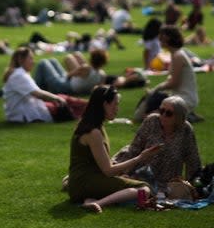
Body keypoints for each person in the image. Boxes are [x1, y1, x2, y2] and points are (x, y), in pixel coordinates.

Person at [65, 85, 161, 213]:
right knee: (144, 188)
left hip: (80, 183)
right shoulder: (94, 133)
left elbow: (103, 166)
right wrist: (140, 158)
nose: (117, 109)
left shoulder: (92, 125)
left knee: (127, 181)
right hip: (84, 183)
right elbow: (108, 171)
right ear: (104, 104)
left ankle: (89, 198)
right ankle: (97, 203)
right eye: (115, 104)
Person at [113, 95, 201, 197]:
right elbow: (134, 149)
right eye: (161, 110)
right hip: (142, 175)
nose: (162, 115)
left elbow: (193, 160)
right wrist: (126, 173)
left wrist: (192, 186)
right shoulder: (151, 121)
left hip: (168, 182)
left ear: (179, 116)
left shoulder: (186, 129)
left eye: (168, 113)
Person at [2, 47, 85, 123]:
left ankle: (92, 106)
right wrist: (56, 98)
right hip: (25, 113)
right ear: (21, 60)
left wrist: (57, 98)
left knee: (65, 99)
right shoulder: (19, 75)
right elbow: (37, 93)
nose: (33, 61)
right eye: (30, 58)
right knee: (65, 101)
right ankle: (92, 107)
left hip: (26, 110)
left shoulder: (19, 73)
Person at [142, 25, 200, 123]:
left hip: (185, 98)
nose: (159, 39)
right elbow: (172, 80)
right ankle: (185, 115)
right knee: (149, 113)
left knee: (150, 117)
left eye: (161, 37)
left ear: (167, 38)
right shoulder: (175, 54)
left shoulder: (178, 55)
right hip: (178, 96)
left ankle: (185, 115)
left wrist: (156, 88)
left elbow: (174, 83)